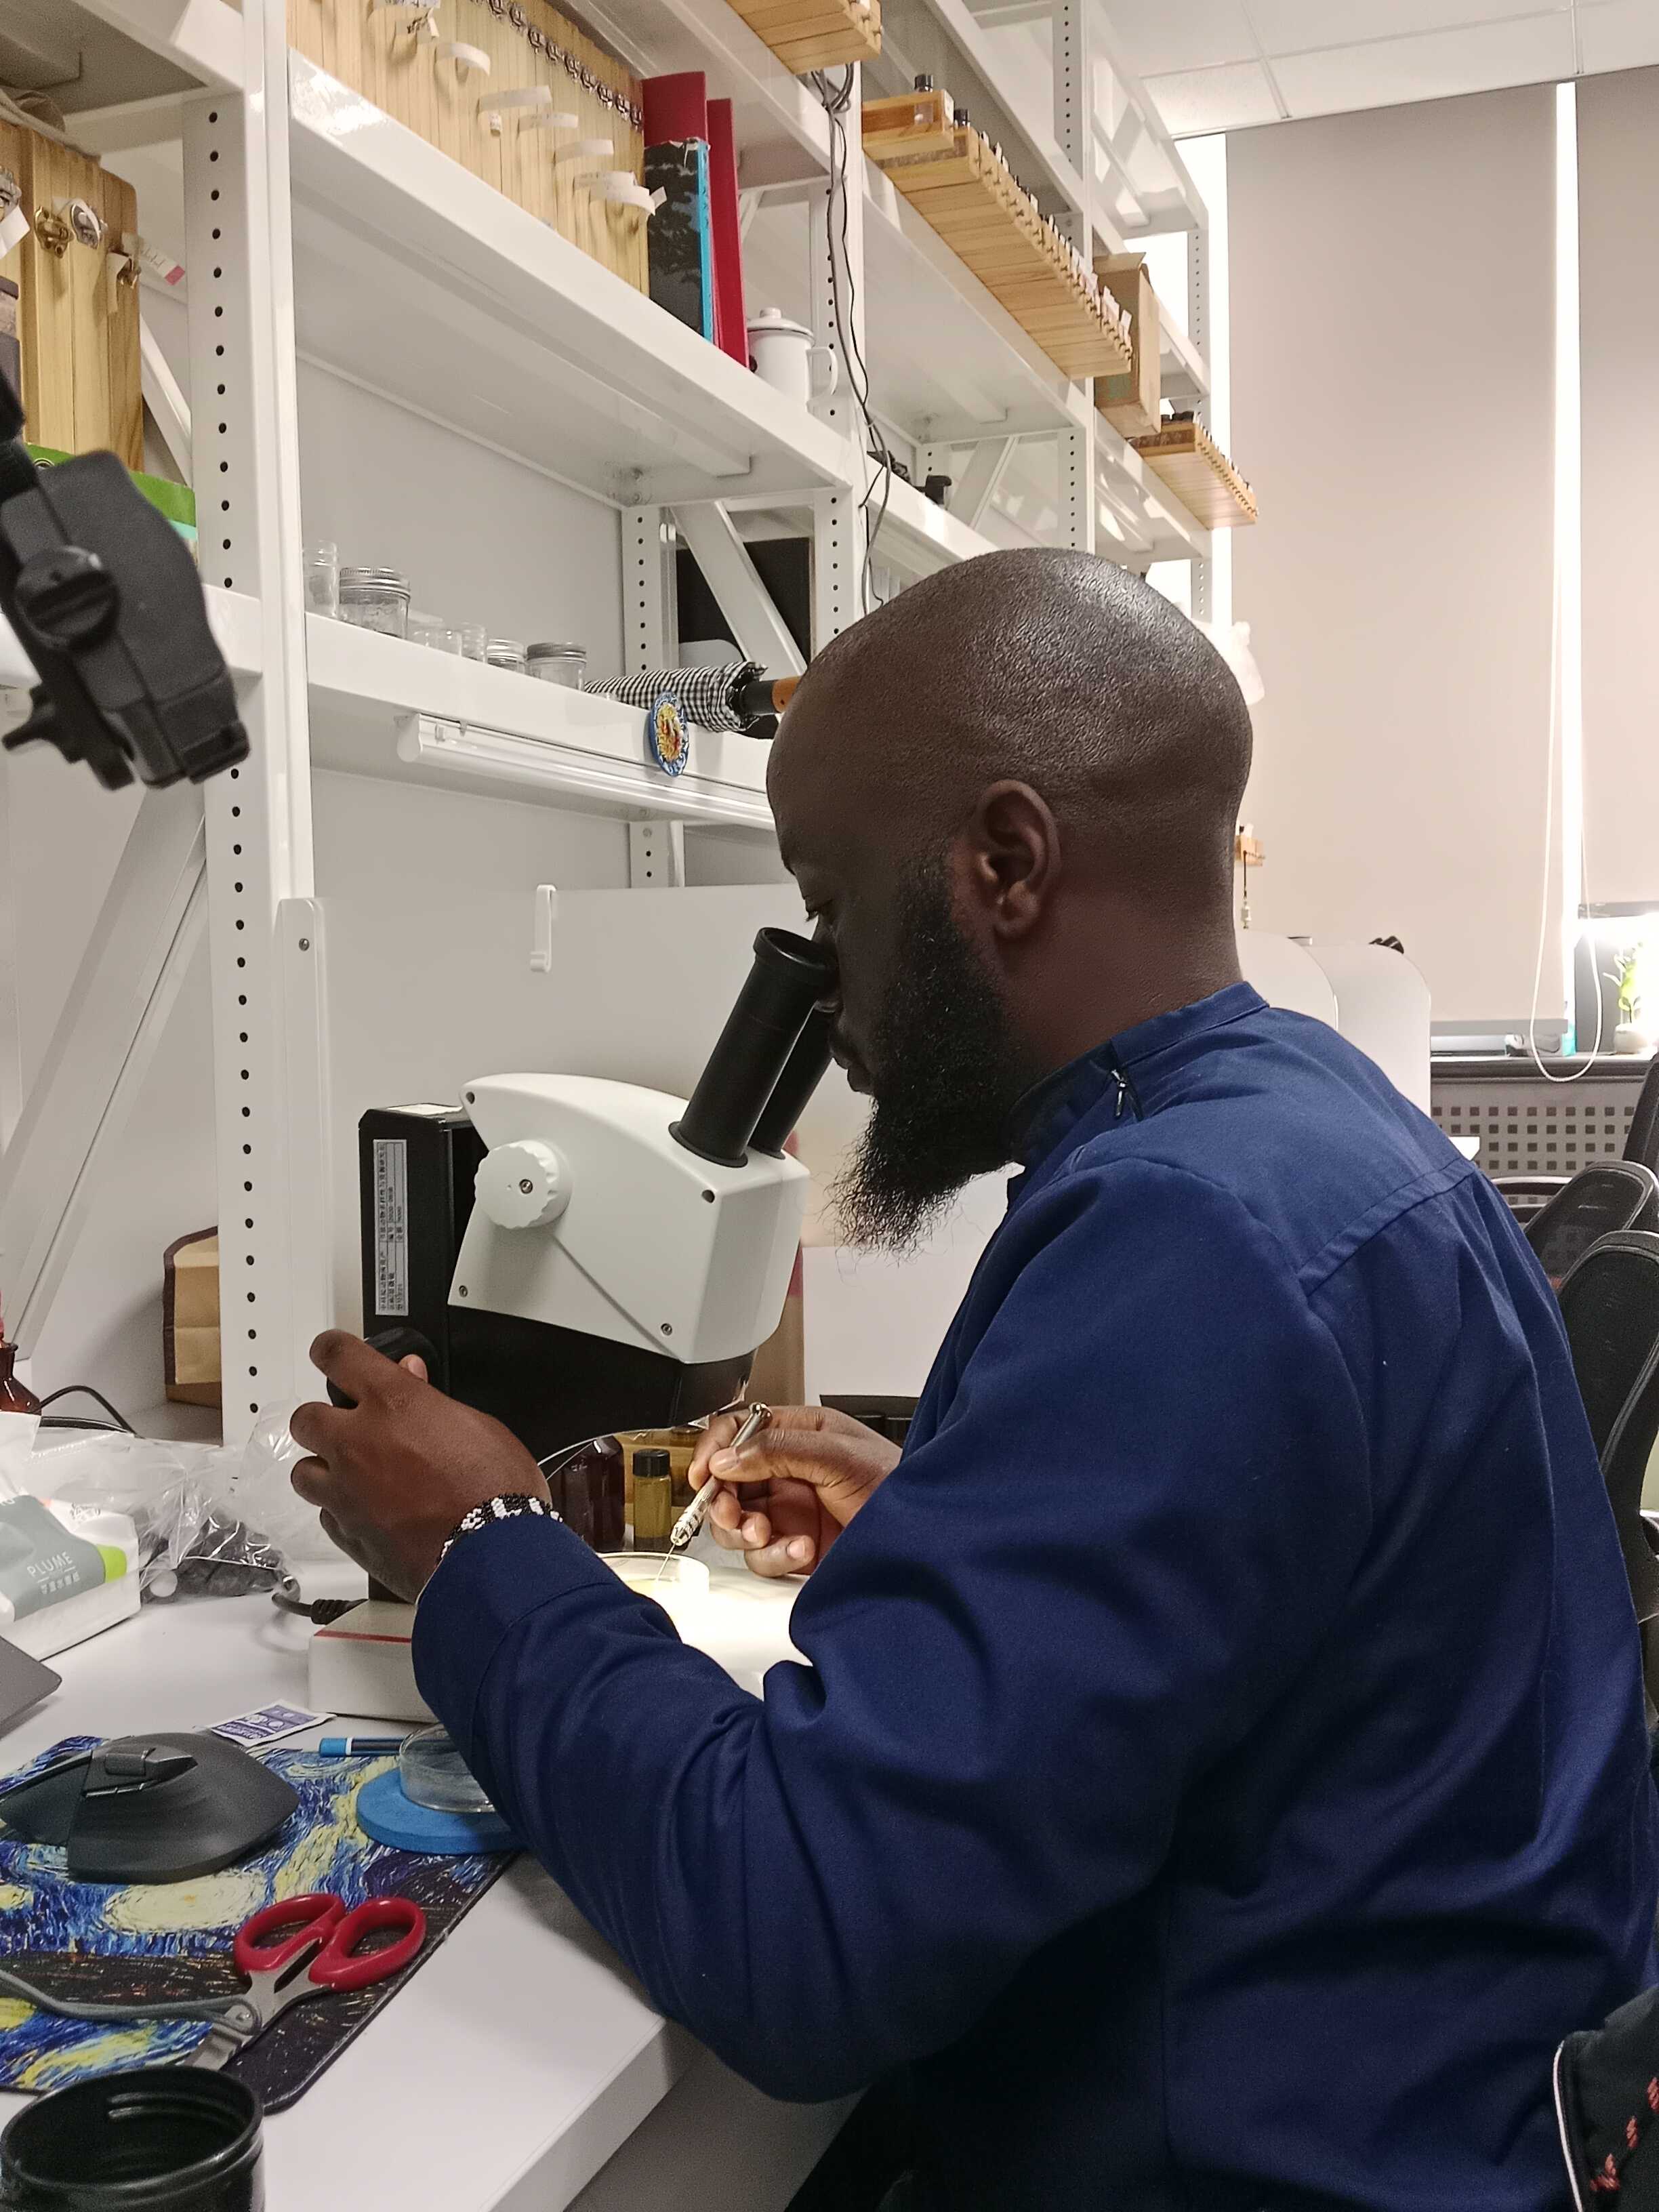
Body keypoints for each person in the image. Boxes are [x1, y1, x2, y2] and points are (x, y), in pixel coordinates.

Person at [291, 548, 1658, 2212]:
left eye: (831, 902)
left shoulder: (1185, 1235)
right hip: (1446, 2097)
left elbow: (799, 1933)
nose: (825, 984)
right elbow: (1265, 1608)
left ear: (1004, 864)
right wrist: (953, 1519)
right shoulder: (1305, 1123)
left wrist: (480, 1548)